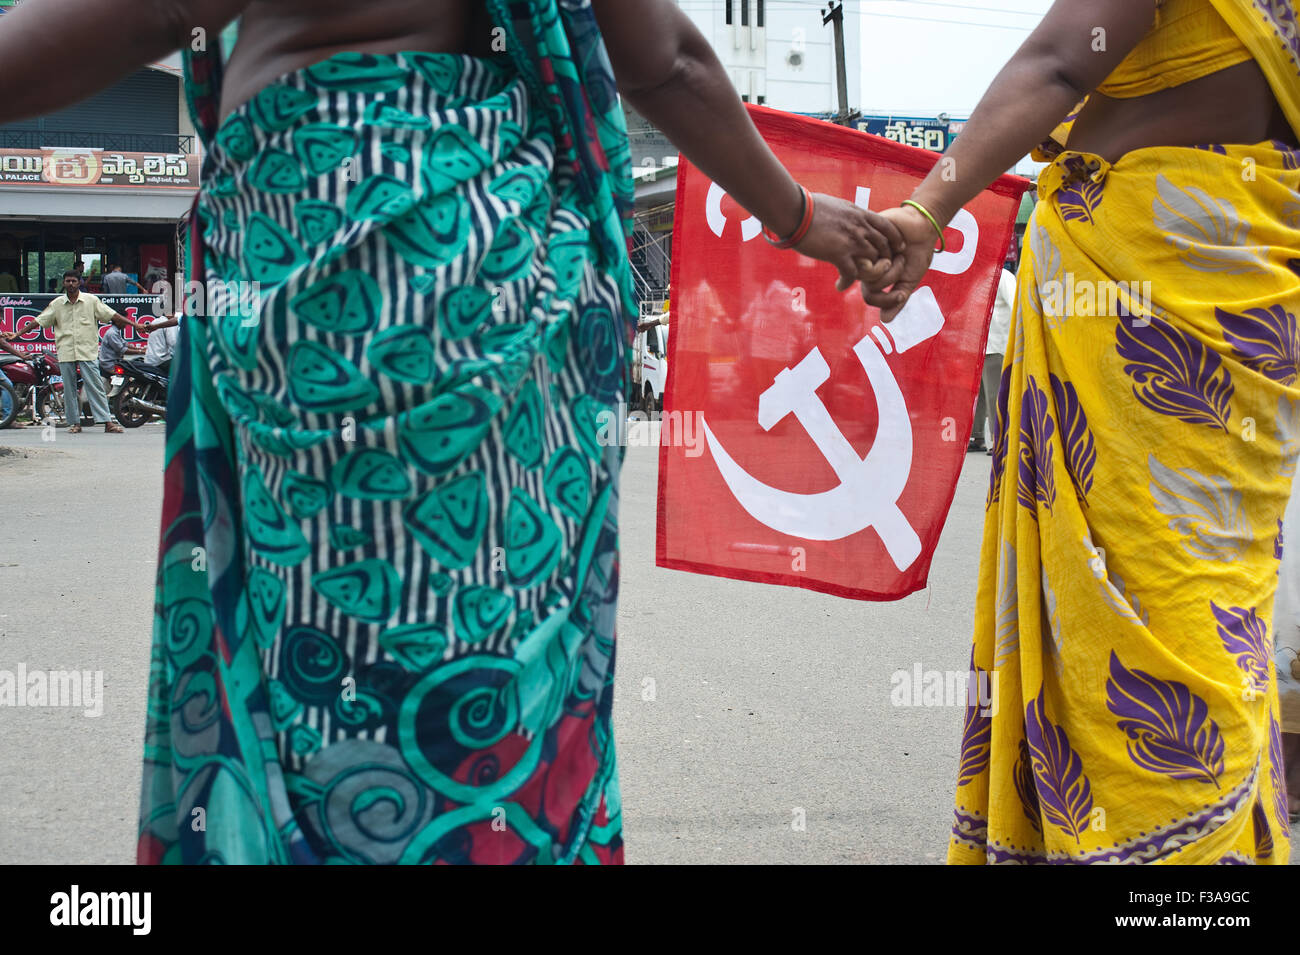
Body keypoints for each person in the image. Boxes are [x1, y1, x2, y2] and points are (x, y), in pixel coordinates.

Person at [0, 0, 902, 863]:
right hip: (483, 257)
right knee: (492, 681)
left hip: (306, 242)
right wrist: (799, 215)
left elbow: (160, 10)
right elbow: (666, 59)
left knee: (316, 689)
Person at [864, 0, 1298, 864]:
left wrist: (925, 211)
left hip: (1142, 284)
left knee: (1158, 621)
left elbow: (1060, 64)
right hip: (1250, 278)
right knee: (1209, 609)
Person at [2, 270, 130, 434]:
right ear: (64, 283)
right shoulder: (57, 304)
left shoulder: (91, 301)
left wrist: (135, 326)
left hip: (87, 351)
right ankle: (75, 423)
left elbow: (113, 315)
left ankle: (107, 422)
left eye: (73, 281)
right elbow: (38, 321)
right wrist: (18, 334)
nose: (70, 284)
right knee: (68, 389)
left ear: (79, 283)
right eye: (68, 281)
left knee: (95, 387)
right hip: (66, 351)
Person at [972, 260, 1016, 455]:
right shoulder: (977, 277)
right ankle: (977, 436)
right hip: (976, 345)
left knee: (994, 396)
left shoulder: (1004, 277)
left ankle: (999, 440)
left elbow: (1016, 304)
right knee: (976, 396)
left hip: (996, 345)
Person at [98, 311, 147, 378]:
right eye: (124, 322)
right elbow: (122, 350)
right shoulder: (112, 333)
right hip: (109, 365)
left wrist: (141, 349)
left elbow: (125, 343)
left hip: (114, 362)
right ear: (118, 321)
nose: (126, 324)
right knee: (127, 377)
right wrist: (141, 352)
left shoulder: (115, 331)